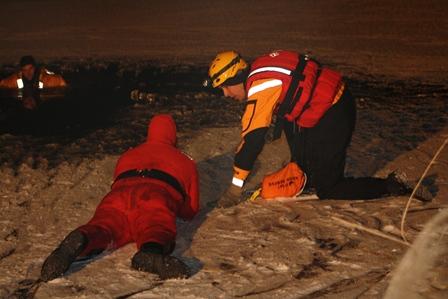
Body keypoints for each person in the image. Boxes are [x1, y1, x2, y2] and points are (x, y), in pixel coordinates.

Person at [205, 50, 429, 207]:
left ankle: (391, 186)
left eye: (225, 87)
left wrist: (234, 189)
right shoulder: (260, 66)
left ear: (235, 78)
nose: (226, 94)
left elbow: (252, 141)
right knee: (301, 167)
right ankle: (308, 175)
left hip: (334, 110)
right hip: (328, 101)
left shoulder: (260, 87)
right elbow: (292, 85)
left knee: (329, 189)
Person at [40, 114, 199, 281]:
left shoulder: (128, 155)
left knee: (105, 226)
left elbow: (116, 180)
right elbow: (190, 211)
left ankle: (84, 237)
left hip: (117, 196)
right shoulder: (184, 161)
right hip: (152, 196)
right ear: (173, 135)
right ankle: (150, 252)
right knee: (155, 226)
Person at [0, 55, 67, 109]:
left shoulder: (48, 79)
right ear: (21, 71)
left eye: (30, 68)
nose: (28, 73)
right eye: (25, 70)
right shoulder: (13, 81)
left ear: (34, 68)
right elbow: (3, 84)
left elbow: (62, 83)